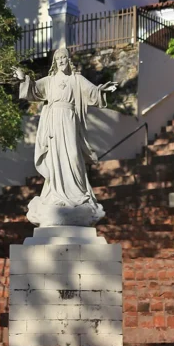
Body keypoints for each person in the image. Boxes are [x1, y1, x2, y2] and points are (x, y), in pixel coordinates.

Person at [14, 46, 117, 225]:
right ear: (55, 62)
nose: (61, 61)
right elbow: (34, 90)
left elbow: (93, 92)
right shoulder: (50, 80)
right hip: (53, 121)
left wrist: (103, 91)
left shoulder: (77, 79)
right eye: (58, 59)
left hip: (69, 119)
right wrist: (24, 78)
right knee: (56, 158)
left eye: (64, 58)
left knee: (73, 155)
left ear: (68, 60)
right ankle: (56, 193)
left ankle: (76, 193)